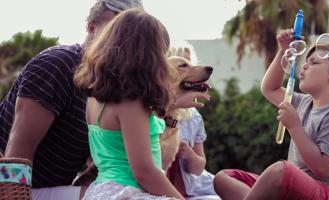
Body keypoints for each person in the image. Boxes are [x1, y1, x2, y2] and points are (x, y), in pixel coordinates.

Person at [0, 1, 209, 199]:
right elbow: (16, 154)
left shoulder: (101, 88)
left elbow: (116, 147)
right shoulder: (57, 65)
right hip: (15, 189)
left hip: (64, 187)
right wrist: (11, 195)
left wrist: (172, 102)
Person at [213, 29, 329, 200]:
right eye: (306, 61)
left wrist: (295, 127)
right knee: (223, 178)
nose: (304, 65)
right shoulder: (302, 102)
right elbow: (270, 88)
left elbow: (321, 168)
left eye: (314, 63)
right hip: (295, 190)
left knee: (280, 171)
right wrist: (283, 51)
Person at [74, 9, 185, 199]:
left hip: (100, 191)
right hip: (128, 192)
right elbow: (144, 172)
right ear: (150, 55)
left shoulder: (96, 97)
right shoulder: (131, 102)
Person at [166, 42, 218, 198]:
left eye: (191, 64)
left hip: (197, 189)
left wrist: (189, 154)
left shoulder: (193, 117)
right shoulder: (148, 114)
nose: (196, 69)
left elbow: (199, 167)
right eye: (183, 65)